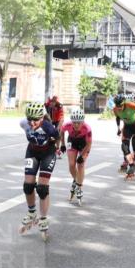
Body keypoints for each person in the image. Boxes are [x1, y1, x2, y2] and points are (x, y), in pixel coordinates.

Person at [19, 101, 60, 238]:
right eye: (30, 119)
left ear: (42, 117)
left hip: (48, 154)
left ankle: (43, 218)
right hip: (32, 152)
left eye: (36, 120)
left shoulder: (48, 127)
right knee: (28, 185)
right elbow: (28, 127)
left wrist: (58, 147)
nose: (32, 123)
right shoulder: (23, 123)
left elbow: (58, 137)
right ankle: (32, 212)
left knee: (42, 188)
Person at [112, 93, 135, 180]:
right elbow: (118, 117)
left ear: (124, 103)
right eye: (117, 106)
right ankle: (131, 165)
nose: (119, 108)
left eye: (120, 105)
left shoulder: (131, 105)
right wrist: (118, 128)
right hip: (128, 127)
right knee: (124, 146)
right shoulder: (115, 109)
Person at [59, 106, 93, 205]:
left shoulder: (87, 128)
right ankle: (77, 181)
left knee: (80, 164)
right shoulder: (67, 125)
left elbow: (89, 144)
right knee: (71, 164)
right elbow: (61, 132)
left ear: (83, 122)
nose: (76, 124)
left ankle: (79, 186)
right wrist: (63, 144)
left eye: (79, 122)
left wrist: (81, 156)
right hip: (72, 142)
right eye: (74, 122)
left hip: (84, 145)